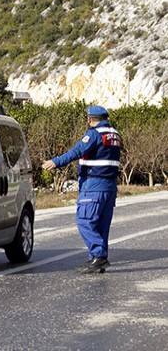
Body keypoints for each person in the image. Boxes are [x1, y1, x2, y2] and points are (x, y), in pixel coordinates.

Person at [42, 105, 122, 274]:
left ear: (89, 119)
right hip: (110, 187)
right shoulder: (114, 134)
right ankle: (98, 259)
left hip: (93, 186)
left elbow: (77, 151)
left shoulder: (94, 134)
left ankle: (99, 256)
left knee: (85, 221)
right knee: (101, 225)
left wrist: (55, 162)